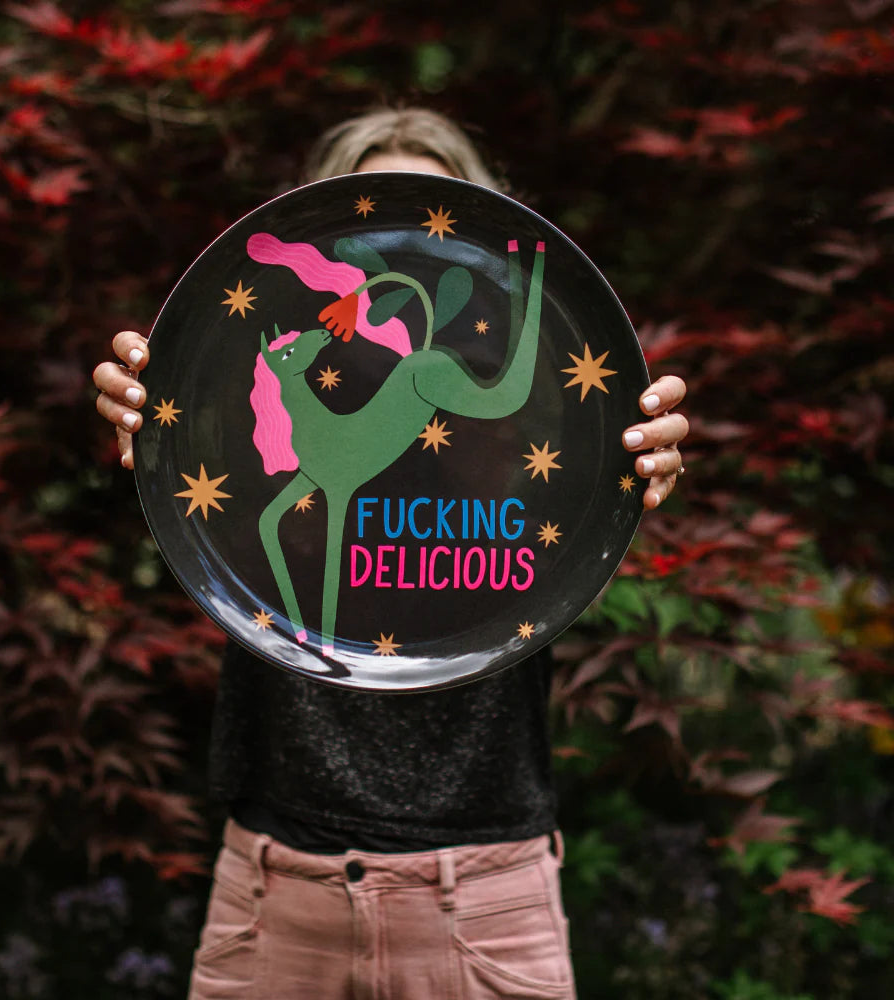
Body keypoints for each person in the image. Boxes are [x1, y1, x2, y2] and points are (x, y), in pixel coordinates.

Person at [93, 107, 688, 1000]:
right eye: (374, 245)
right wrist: (153, 415)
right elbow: (206, 482)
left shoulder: (524, 430)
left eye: (428, 238)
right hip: (273, 892)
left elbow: (549, 480)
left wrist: (632, 461)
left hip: (485, 901)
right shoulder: (258, 410)